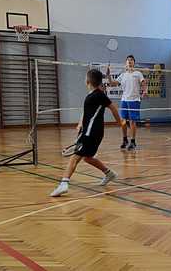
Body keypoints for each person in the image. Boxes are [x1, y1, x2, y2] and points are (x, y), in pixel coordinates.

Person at [50, 69, 122, 197]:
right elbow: (86, 112)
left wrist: (120, 122)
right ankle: (109, 173)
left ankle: (64, 184)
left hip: (91, 132)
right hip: (91, 131)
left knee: (75, 158)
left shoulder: (99, 95)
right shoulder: (92, 95)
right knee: (87, 158)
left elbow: (113, 107)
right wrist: (80, 123)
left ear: (88, 81)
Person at [106, 55, 147, 150]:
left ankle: (133, 142)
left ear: (134, 63)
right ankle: (125, 140)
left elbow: (143, 83)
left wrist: (145, 91)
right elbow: (112, 83)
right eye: (128, 60)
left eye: (131, 60)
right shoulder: (123, 75)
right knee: (123, 121)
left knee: (132, 121)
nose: (129, 62)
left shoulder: (138, 73)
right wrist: (108, 75)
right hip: (124, 100)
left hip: (134, 100)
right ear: (125, 63)